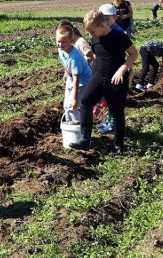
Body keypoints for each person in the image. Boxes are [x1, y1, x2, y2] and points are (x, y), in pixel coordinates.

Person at [67, 9, 137, 154]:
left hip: (117, 78)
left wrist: (122, 70)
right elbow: (98, 58)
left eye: (93, 31)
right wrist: (94, 77)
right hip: (99, 76)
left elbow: (133, 54)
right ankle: (85, 139)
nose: (91, 35)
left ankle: (118, 145)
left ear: (102, 26)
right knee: (85, 101)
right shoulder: (95, 39)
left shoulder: (119, 37)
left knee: (116, 111)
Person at [55, 22, 92, 121]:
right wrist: (66, 73)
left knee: (72, 106)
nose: (60, 44)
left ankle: (78, 129)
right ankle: (69, 125)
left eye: (63, 42)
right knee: (66, 106)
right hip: (71, 79)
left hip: (83, 82)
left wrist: (75, 99)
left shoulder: (74, 57)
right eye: (58, 41)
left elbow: (77, 79)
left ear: (71, 41)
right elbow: (66, 64)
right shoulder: (61, 50)